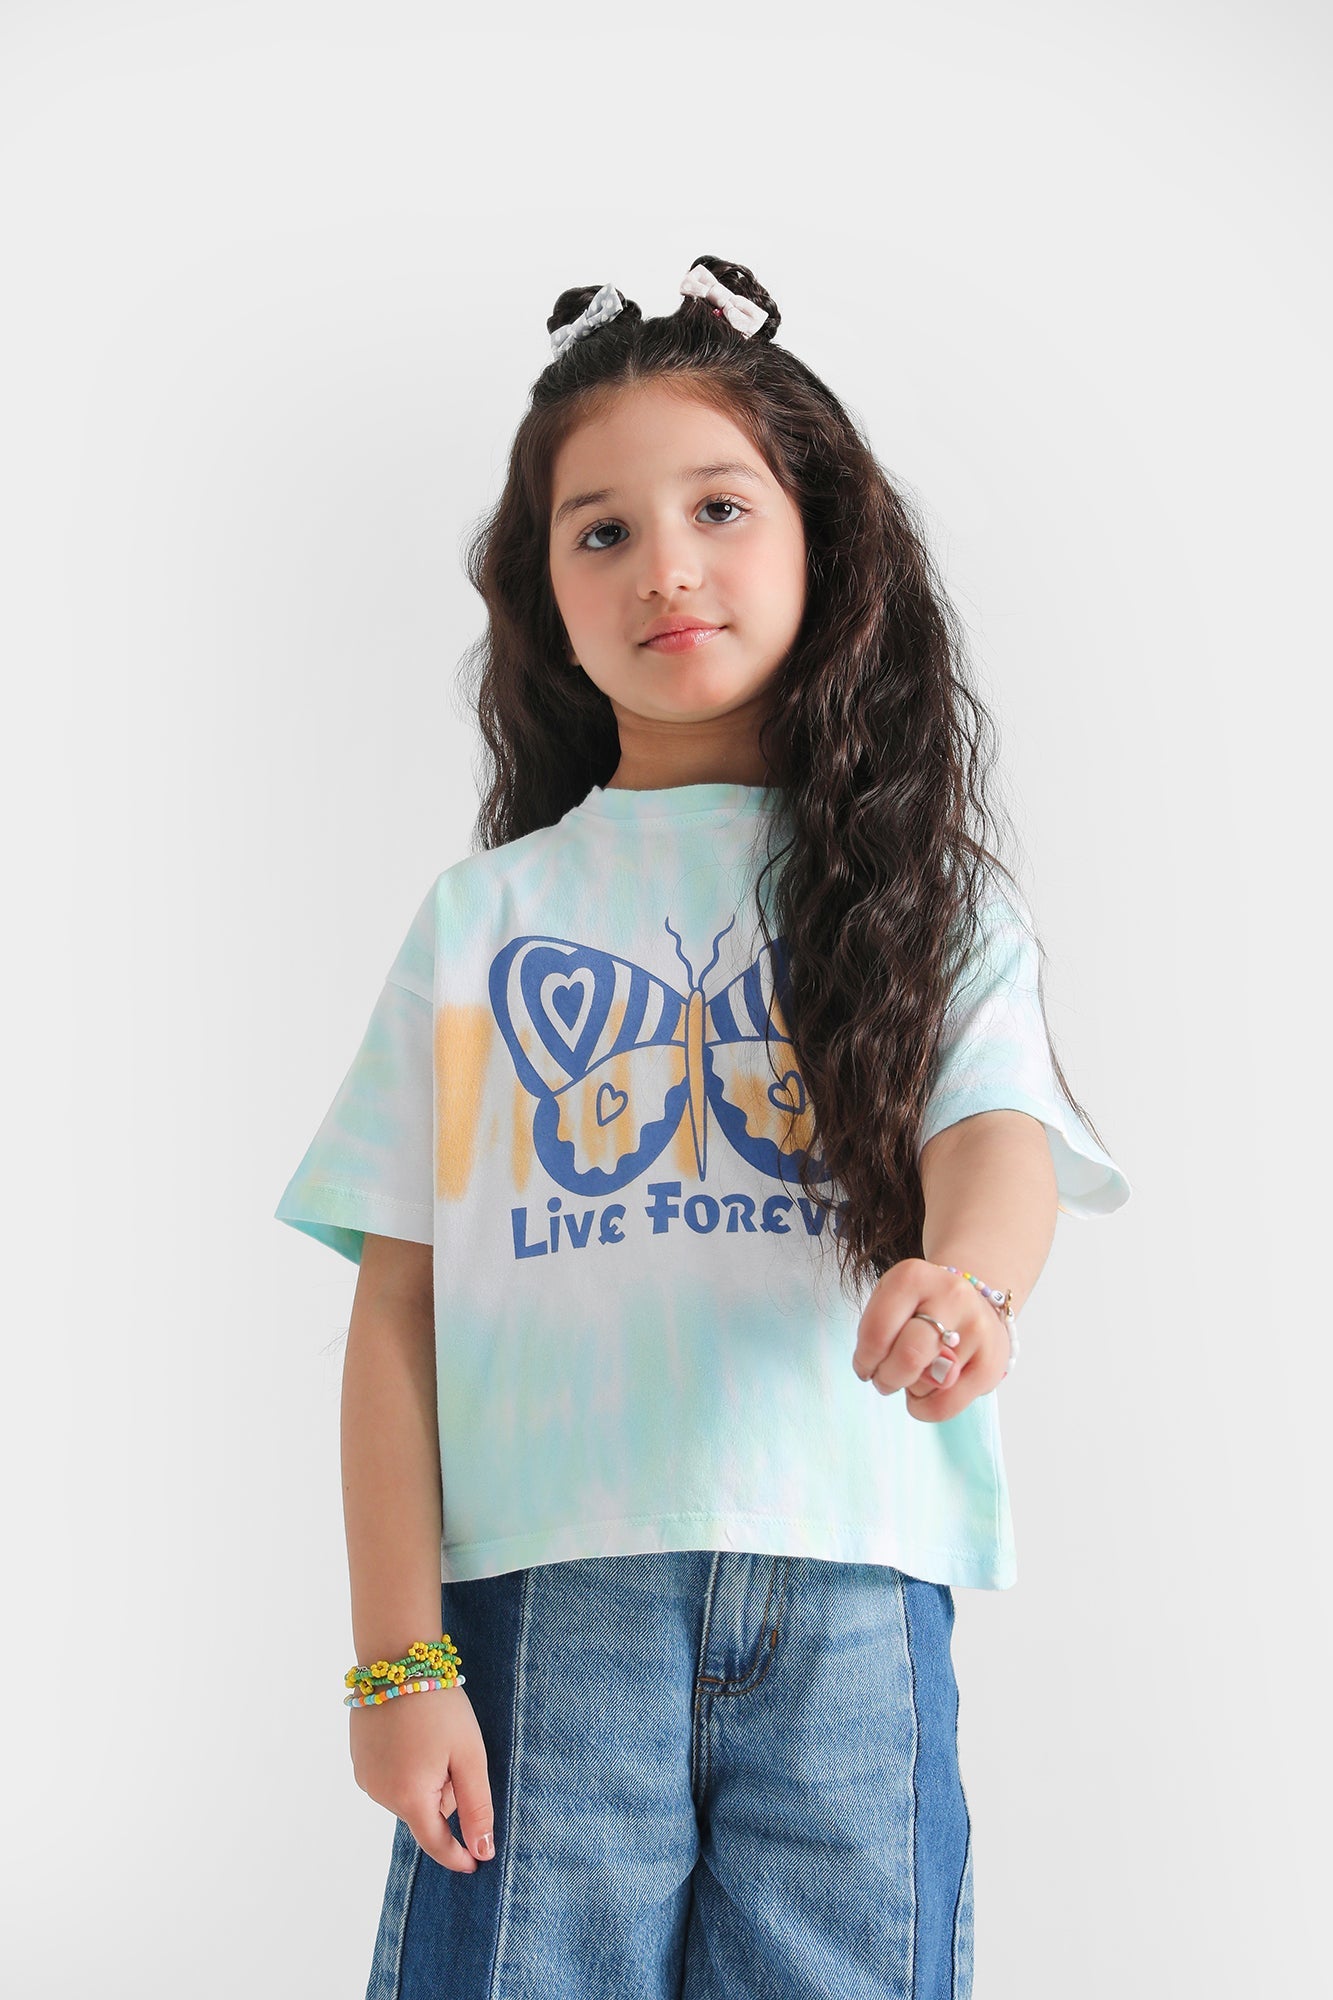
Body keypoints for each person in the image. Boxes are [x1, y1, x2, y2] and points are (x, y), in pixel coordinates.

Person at [274, 255, 1132, 2000]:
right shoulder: (486, 923)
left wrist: (968, 1283)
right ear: (543, 600)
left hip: (854, 1598)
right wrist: (393, 1664)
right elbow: (398, 1308)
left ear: (826, 542)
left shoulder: (930, 901)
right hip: (547, 1609)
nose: (664, 564)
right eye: (600, 532)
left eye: (719, 508)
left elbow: (996, 1135)